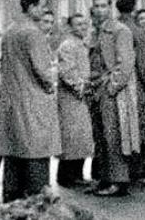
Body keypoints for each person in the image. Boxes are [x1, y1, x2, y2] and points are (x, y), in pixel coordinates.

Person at [0, 0, 61, 202]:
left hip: (13, 101)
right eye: (42, 6)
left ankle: (12, 200)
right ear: (31, 7)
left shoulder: (11, 30)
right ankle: (36, 202)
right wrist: (52, 81)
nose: (44, 10)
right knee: (36, 153)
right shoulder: (34, 33)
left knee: (13, 153)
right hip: (34, 102)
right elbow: (43, 71)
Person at [90, 0, 140, 197]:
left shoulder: (120, 31)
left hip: (113, 92)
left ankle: (119, 181)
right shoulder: (96, 31)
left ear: (110, 8)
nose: (99, 10)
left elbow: (126, 64)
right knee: (101, 137)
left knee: (115, 136)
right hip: (97, 89)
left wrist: (111, 88)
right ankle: (105, 178)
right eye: (96, 6)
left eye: (103, 6)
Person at [116, 0, 145, 186]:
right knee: (139, 132)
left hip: (115, 84)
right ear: (133, 9)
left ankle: (120, 172)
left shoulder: (114, 27)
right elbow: (144, 64)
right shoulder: (135, 31)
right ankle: (141, 172)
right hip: (136, 88)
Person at [53, 13, 94, 188]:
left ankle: (77, 174)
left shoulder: (83, 44)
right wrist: (81, 87)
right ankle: (66, 176)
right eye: (78, 24)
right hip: (71, 98)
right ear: (70, 27)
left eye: (84, 24)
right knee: (71, 138)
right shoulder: (68, 46)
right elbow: (67, 72)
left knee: (82, 138)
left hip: (82, 97)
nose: (83, 27)